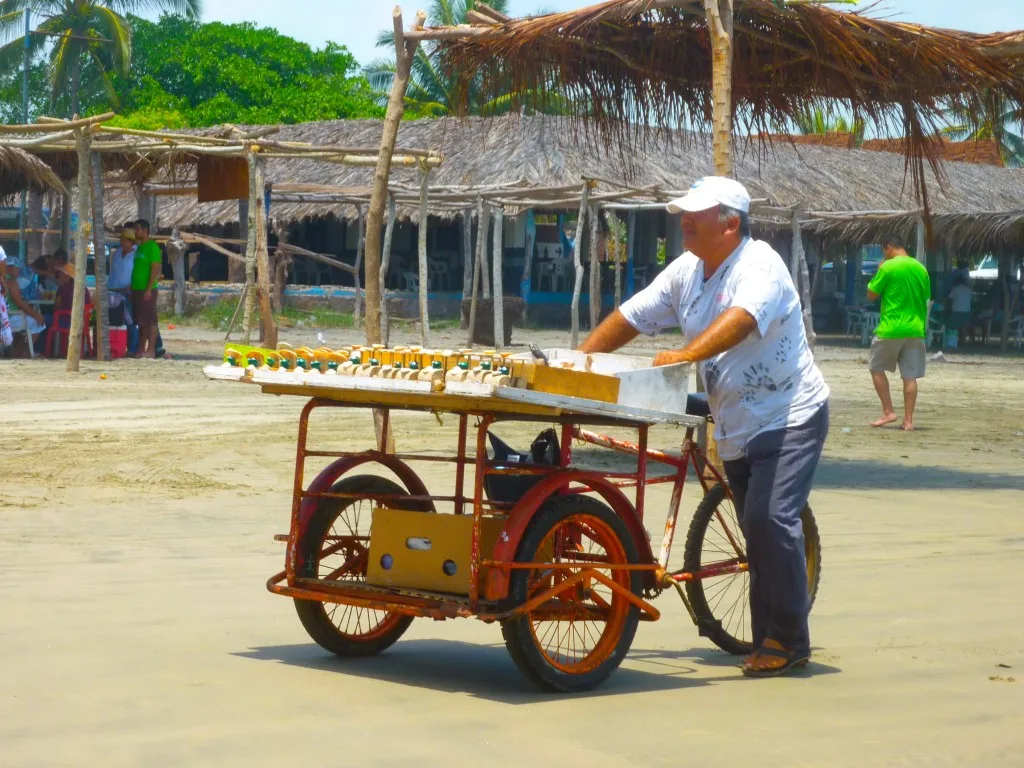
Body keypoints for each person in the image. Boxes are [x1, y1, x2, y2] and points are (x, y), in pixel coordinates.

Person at [579, 177, 830, 677]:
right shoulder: (687, 272)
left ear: (730, 223)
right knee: (753, 527)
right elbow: (633, 315)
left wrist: (687, 353)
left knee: (768, 521)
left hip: (790, 414)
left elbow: (741, 319)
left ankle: (789, 640)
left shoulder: (761, 266)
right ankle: (766, 638)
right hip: (735, 418)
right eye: (682, 212)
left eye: (696, 213)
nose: (684, 220)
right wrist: (578, 362)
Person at [866, 234, 930, 430]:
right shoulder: (921, 269)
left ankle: (888, 412)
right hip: (915, 329)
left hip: (891, 328)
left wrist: (879, 270)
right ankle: (908, 421)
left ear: (888, 248)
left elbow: (871, 295)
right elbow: (926, 296)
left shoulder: (888, 266)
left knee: (876, 367)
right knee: (909, 376)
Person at [2, 253, 47, 356]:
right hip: (10, 318)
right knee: (38, 322)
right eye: (17, 269)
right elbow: (20, 303)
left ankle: (17, 351)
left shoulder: (4, 279)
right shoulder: (11, 282)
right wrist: (36, 314)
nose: (19, 271)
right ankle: (26, 351)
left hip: (5, 317)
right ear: (9, 268)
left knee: (26, 322)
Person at [132, 218, 162, 358]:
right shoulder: (139, 248)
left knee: (150, 321)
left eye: (138, 229)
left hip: (147, 289)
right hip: (137, 289)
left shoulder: (152, 247)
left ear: (145, 230)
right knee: (141, 321)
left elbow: (155, 268)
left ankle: (151, 350)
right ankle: (141, 349)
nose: (135, 231)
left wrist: (149, 288)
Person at [946, 275, 973, 344]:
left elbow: (949, 300)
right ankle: (963, 341)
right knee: (964, 327)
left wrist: (948, 309)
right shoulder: (969, 290)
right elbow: (970, 301)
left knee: (955, 327)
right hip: (966, 311)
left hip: (956, 311)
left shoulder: (955, 289)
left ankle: (956, 342)